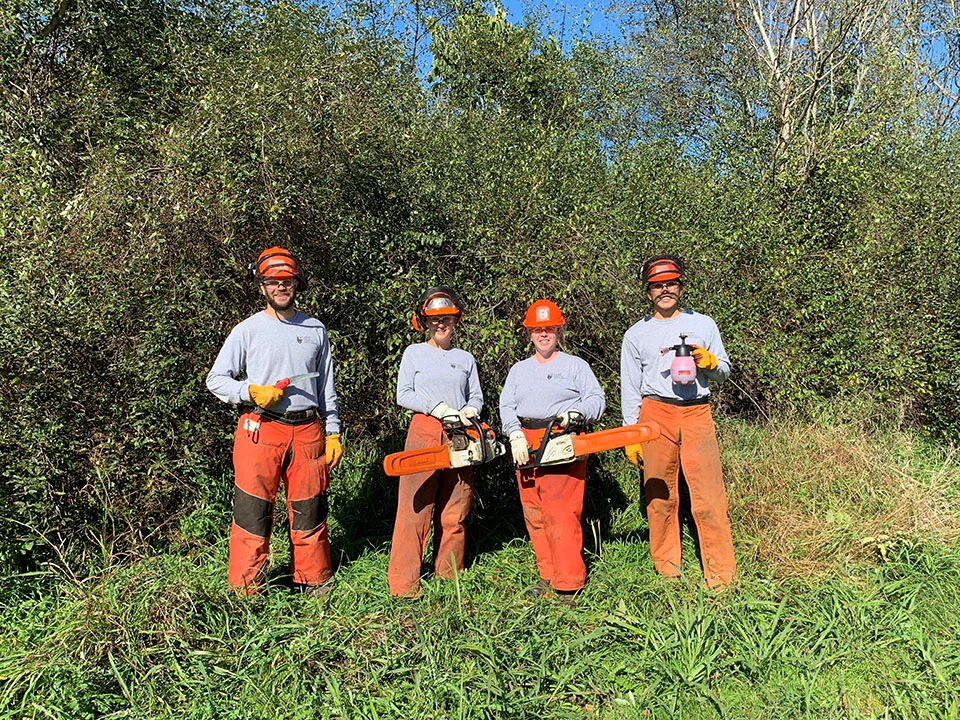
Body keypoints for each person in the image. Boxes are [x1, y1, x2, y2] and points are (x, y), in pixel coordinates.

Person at [206, 246, 343, 596]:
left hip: (309, 430)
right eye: (273, 282)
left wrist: (333, 430)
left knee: (310, 508)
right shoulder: (248, 330)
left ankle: (313, 581)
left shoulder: (315, 329)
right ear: (262, 285)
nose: (281, 287)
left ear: (296, 283)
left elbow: (326, 384)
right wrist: (251, 391)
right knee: (253, 510)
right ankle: (246, 590)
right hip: (261, 429)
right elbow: (216, 379)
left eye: (287, 281)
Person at [620, 254, 736, 589]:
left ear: (680, 287)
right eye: (657, 286)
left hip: (697, 412)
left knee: (709, 497)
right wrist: (632, 434)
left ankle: (721, 576)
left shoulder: (704, 325)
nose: (664, 290)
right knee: (659, 496)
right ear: (648, 292)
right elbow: (629, 386)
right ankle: (667, 569)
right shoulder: (636, 334)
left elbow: (724, 373)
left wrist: (711, 362)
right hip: (655, 413)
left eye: (670, 283)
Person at [499, 299, 606, 603]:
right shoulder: (519, 371)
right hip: (527, 441)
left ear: (559, 329)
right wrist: (514, 433)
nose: (543, 334)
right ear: (529, 333)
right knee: (535, 513)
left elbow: (597, 399)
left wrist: (576, 414)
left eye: (549, 328)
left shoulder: (575, 366)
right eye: (537, 329)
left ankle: (568, 583)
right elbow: (506, 404)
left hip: (562, 437)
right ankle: (548, 573)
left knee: (561, 513)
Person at [387, 287, 483, 598]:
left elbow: (476, 396)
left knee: (455, 509)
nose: (440, 325)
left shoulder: (465, 358)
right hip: (425, 431)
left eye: (446, 319)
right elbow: (404, 394)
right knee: (414, 508)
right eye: (434, 320)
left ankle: (448, 576)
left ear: (456, 320)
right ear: (424, 322)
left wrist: (470, 410)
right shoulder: (413, 353)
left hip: (460, 433)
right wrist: (435, 407)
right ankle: (404, 584)